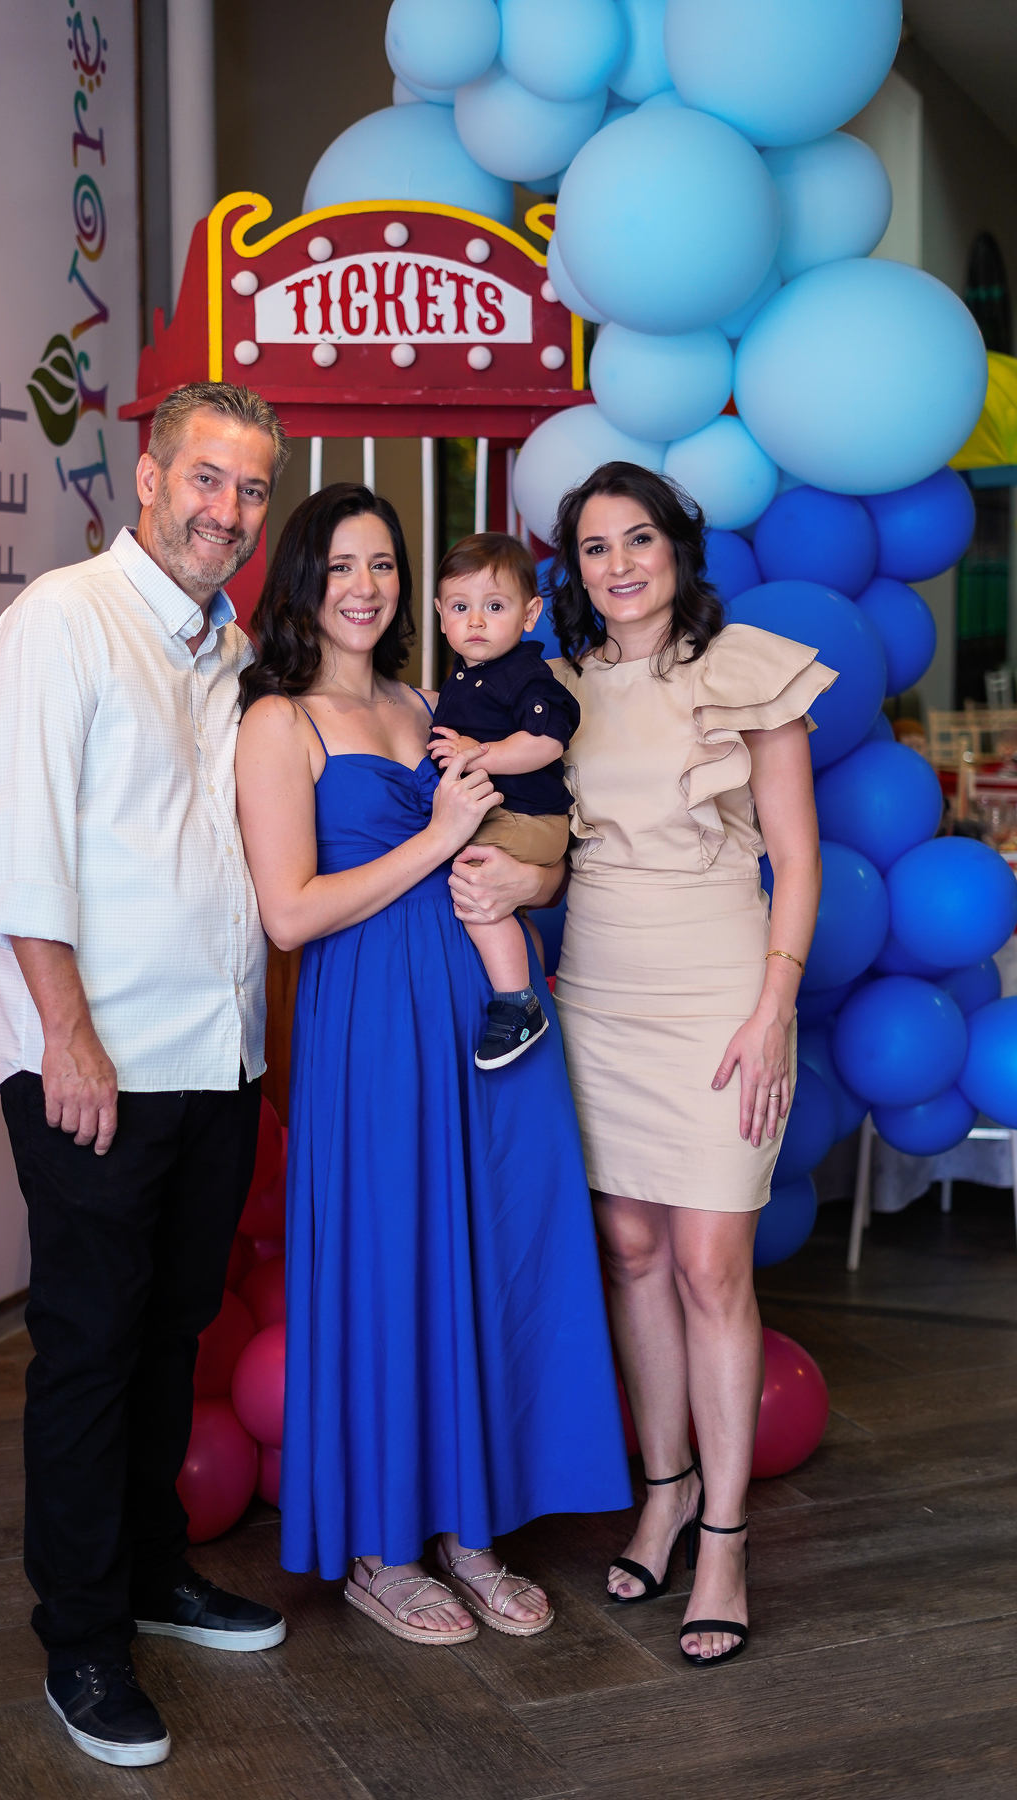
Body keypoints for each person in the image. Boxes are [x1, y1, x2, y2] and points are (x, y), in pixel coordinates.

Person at [235, 482, 630, 1645]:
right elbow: (290, 914)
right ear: (302, 582)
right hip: (369, 1017)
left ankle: (471, 1530)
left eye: (384, 565)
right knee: (391, 1255)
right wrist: (439, 838)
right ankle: (381, 1547)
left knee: (490, 1247)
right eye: (341, 565)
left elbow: (539, 850)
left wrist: (532, 876)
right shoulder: (279, 721)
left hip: (485, 1009)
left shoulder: (431, 700)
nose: (366, 587)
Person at [0, 383, 290, 1768]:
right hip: (96, 1063)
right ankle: (84, 1640)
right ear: (149, 478)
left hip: (214, 1057)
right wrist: (68, 1037)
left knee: (172, 1337)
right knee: (93, 1350)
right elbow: (20, 852)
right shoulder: (66, 620)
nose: (229, 511)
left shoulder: (229, 649)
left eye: (253, 490)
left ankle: (154, 1574)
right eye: (207, 479)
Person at [546, 462, 833, 1668]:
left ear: (677, 548)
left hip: (721, 993)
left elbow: (797, 858)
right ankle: (661, 1494)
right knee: (630, 1250)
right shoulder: (560, 685)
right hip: (597, 994)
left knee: (714, 1263)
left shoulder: (748, 668)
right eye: (595, 547)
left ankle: (723, 1536)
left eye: (638, 539)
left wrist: (775, 1005)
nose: (619, 565)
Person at [427, 533, 580, 1069]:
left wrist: (480, 754)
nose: (476, 621)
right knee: (497, 898)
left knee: (469, 874)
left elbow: (547, 740)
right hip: (511, 816)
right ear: (441, 615)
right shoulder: (465, 676)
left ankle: (517, 1003)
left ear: (529, 614)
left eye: (494, 607)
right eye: (460, 608)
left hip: (529, 818)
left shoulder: (524, 675)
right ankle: (528, 971)